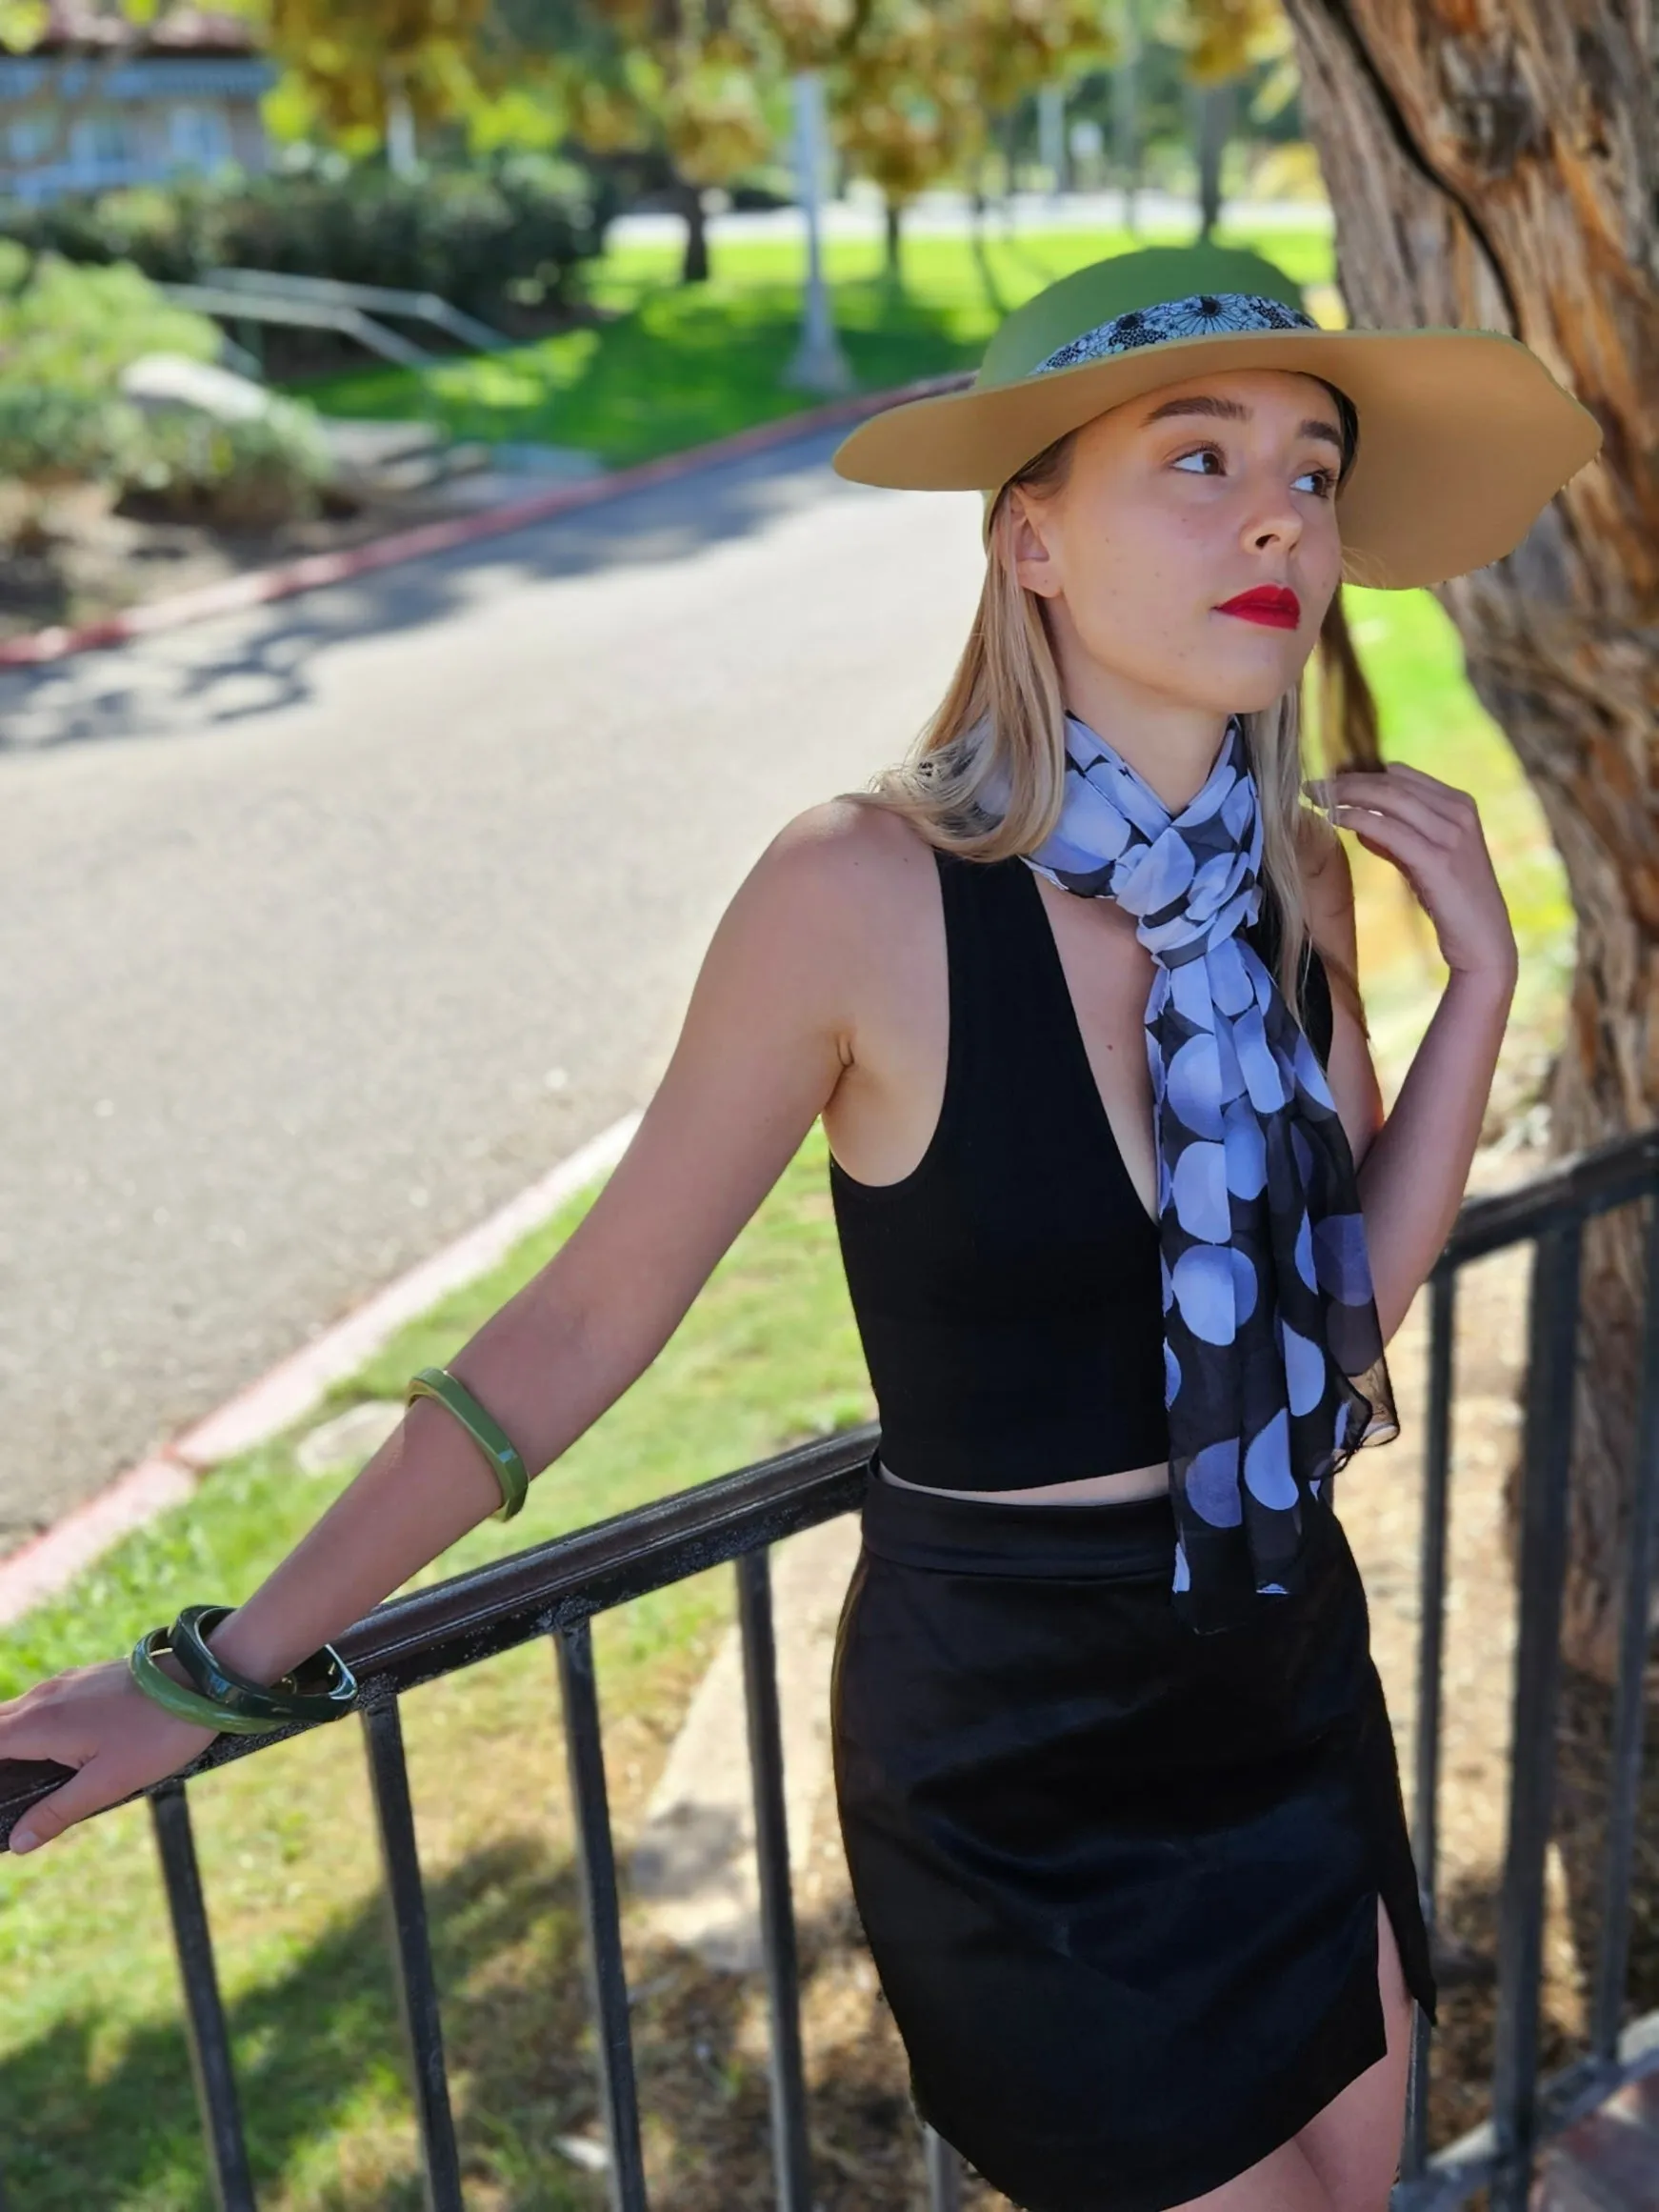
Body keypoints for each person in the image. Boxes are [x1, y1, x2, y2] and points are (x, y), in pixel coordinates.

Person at [0, 243, 1602, 2211]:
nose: (1279, 507)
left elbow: (1338, 1300)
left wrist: (1481, 997)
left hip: (1281, 1670)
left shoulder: (1287, 883)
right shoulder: (859, 892)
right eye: (1195, 457)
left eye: (1311, 467)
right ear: (1029, 540)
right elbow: (581, 1326)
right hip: (1015, 1752)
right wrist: (217, 1666)